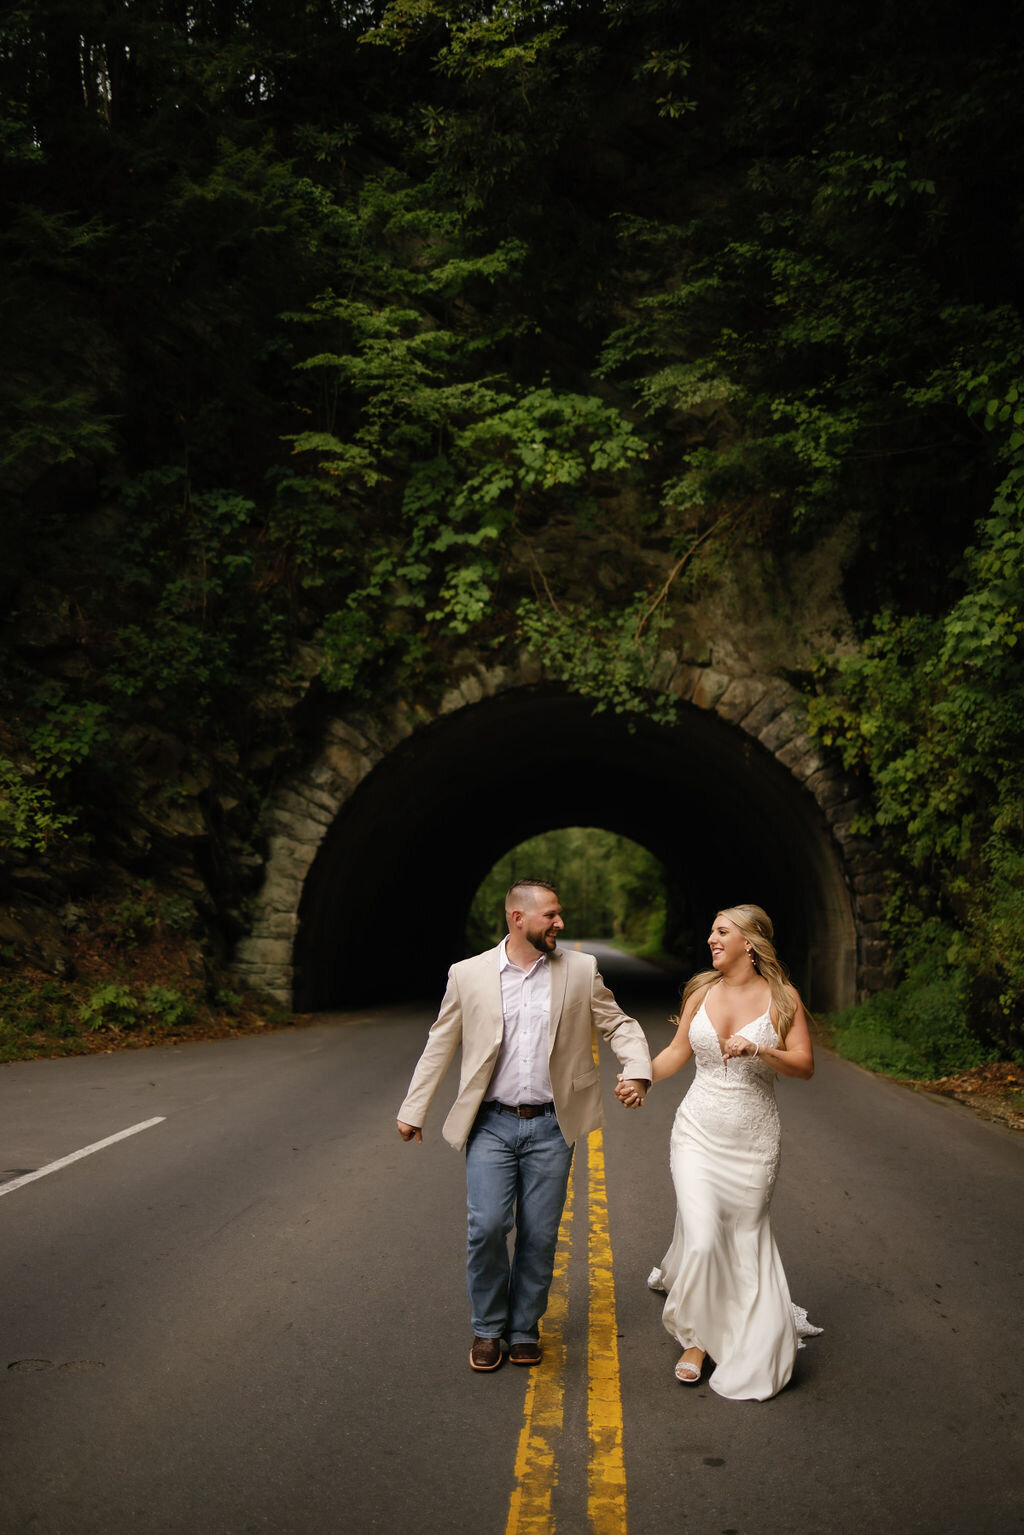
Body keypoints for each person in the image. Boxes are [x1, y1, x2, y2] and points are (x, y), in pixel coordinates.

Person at [397, 878, 652, 1373]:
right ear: (518, 918)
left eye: (559, 915)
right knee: (488, 1226)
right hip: (490, 1122)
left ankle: (521, 1330)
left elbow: (618, 1023)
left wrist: (637, 1069)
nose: (560, 924)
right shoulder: (467, 975)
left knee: (539, 1235)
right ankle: (487, 1328)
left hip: (552, 1126)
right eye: (550, 915)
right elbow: (440, 1042)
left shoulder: (581, 970)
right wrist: (414, 1108)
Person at [616, 903, 820, 1401]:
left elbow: (804, 1066)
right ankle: (696, 1341)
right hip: (697, 1131)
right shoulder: (702, 992)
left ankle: (739, 1331)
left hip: (753, 1137)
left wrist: (760, 1050)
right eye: (711, 930)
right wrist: (642, 1077)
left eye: (721, 931)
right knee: (704, 1237)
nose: (711, 938)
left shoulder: (782, 997)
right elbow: (676, 1052)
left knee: (743, 1236)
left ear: (749, 943)